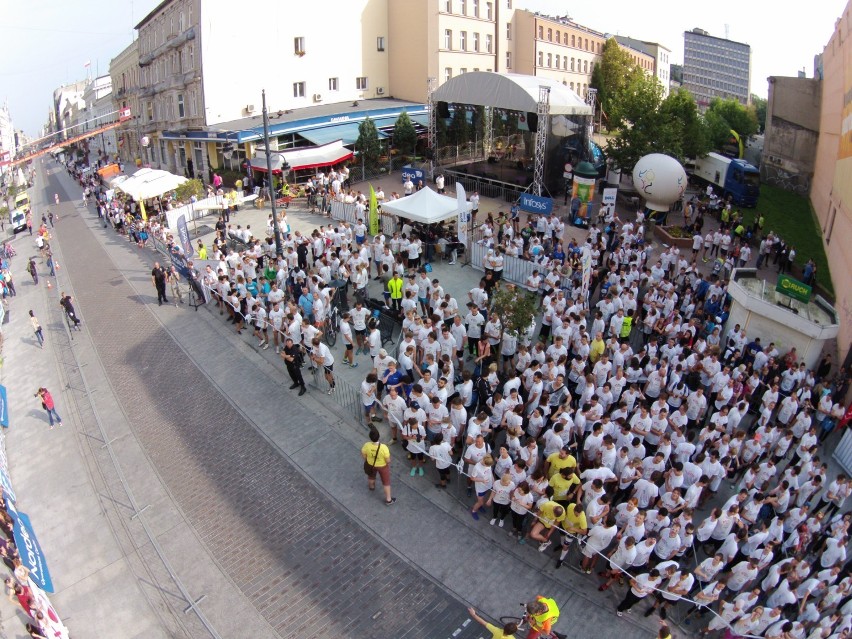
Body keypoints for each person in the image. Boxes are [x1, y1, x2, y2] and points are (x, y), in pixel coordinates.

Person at [361, 428, 395, 505]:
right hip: (382, 466)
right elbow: (388, 460)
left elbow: (363, 454)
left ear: (370, 437)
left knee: (371, 476)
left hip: (371, 464)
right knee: (386, 482)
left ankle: (371, 487)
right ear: (379, 437)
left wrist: (368, 460)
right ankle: (388, 499)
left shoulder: (367, 445)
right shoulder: (384, 447)